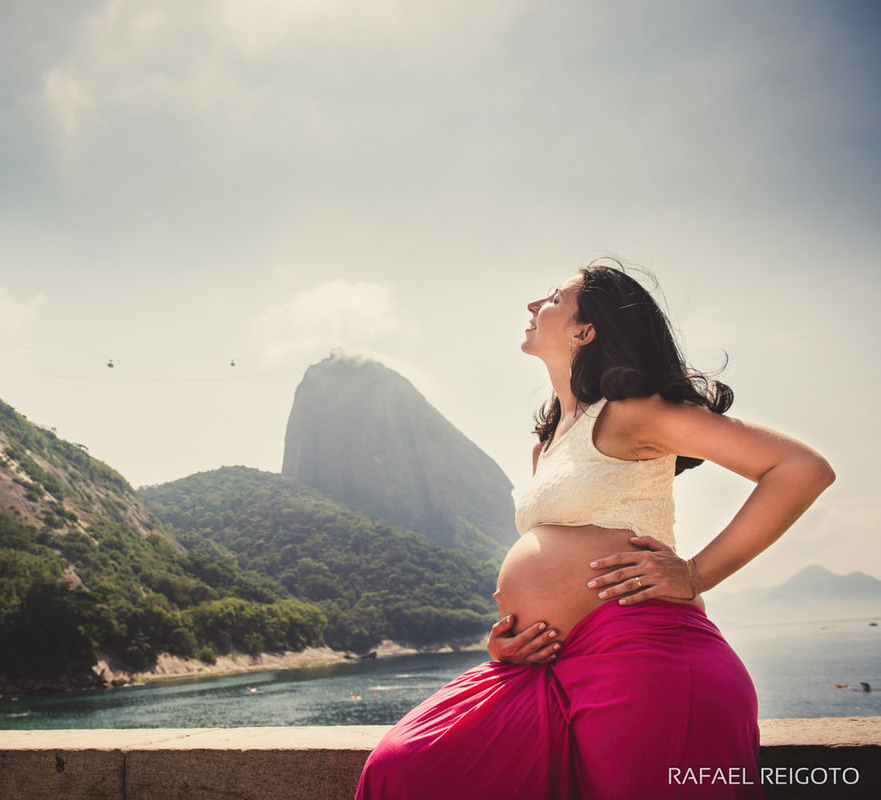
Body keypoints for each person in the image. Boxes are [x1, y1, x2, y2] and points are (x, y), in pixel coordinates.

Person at [355, 263, 834, 800]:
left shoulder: (632, 414)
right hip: (549, 669)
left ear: (586, 331)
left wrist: (698, 573)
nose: (534, 305)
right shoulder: (547, 444)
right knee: (404, 768)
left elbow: (800, 470)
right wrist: (512, 640)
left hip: (645, 660)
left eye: (554, 299)